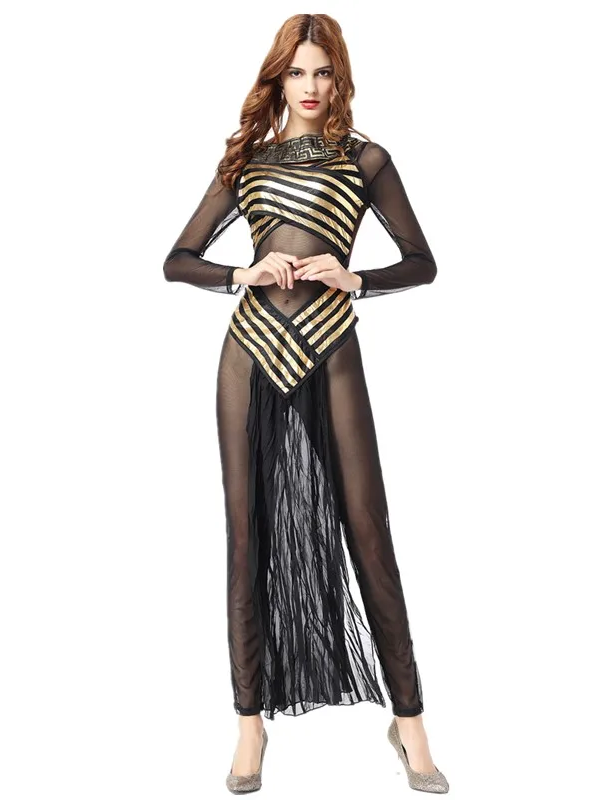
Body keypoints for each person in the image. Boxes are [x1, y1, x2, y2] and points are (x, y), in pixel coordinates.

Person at [163, 13, 449, 795]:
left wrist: (356, 278)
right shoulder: (248, 162)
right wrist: (242, 274)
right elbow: (177, 260)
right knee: (246, 536)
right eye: (298, 72)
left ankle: (410, 723)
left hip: (332, 347)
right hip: (249, 351)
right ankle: (249, 726)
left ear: (339, 77)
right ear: (278, 79)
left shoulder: (365, 159)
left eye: (323, 72)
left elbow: (422, 262)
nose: (311, 86)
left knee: (369, 530)